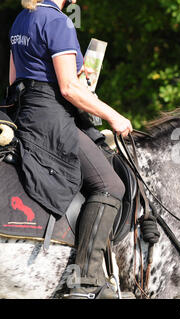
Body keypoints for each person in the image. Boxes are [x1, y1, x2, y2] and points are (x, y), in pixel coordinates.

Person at [9, 0, 132, 298]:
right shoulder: (58, 21)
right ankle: (86, 282)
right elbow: (68, 89)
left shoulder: (21, 19)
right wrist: (113, 115)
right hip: (52, 119)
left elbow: (14, 80)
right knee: (110, 185)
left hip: (25, 114)